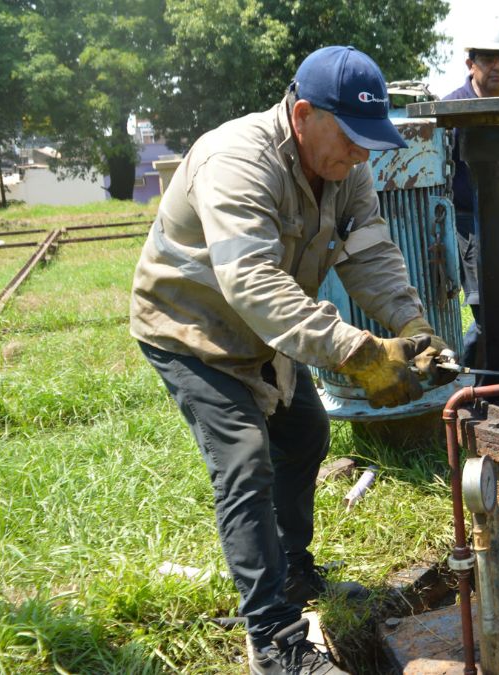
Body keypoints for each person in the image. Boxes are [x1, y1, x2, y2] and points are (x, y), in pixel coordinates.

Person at [130, 46, 452, 674]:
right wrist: (357, 352)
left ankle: (294, 574)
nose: (362, 156)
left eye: (368, 142)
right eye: (353, 139)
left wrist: (414, 327)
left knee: (305, 433)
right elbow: (251, 280)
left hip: (268, 332)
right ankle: (274, 640)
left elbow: (369, 253)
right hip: (192, 330)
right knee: (245, 461)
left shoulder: (345, 166)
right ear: (304, 115)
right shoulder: (236, 160)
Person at [442, 18, 499, 367]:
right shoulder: (451, 110)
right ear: (470, 63)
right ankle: (471, 376)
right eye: (489, 59)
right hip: (468, 223)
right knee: (486, 309)